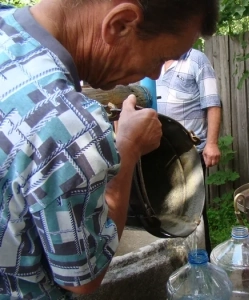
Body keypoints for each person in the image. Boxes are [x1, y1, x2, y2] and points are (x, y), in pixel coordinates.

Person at [0, 0, 219, 298]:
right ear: (121, 24)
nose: (155, 75)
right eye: (160, 58)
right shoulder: (68, 124)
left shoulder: (6, 24)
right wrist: (127, 149)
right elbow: (81, 278)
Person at [156, 48, 222, 254]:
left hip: (189, 153)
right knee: (164, 210)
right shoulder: (152, 60)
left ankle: (202, 260)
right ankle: (174, 260)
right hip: (157, 153)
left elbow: (213, 104)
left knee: (193, 214)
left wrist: (211, 143)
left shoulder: (197, 59)